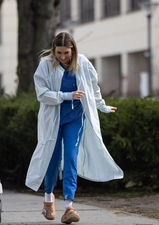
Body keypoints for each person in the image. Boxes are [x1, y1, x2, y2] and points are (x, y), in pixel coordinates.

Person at [25, 32, 124, 224]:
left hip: (75, 120)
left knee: (71, 157)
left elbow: (93, 87)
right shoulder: (45, 65)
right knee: (51, 159)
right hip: (53, 120)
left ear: (73, 51)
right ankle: (48, 199)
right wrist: (67, 96)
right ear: (54, 50)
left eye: (66, 53)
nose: (63, 57)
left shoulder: (83, 63)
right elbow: (42, 94)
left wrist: (102, 106)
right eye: (59, 53)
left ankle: (69, 207)